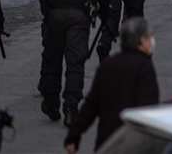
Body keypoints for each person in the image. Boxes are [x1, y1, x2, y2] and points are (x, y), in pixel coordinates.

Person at [30, 0, 112, 127]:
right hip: (80, 14)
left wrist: (45, 0)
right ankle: (71, 107)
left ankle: (51, 103)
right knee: (76, 63)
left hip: (54, 13)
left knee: (52, 59)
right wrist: (102, 8)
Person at [64, 18, 159, 153]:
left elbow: (90, 107)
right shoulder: (144, 67)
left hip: (107, 143)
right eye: (150, 37)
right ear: (142, 41)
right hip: (133, 145)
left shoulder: (107, 65)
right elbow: (148, 109)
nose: (152, 42)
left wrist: (73, 136)